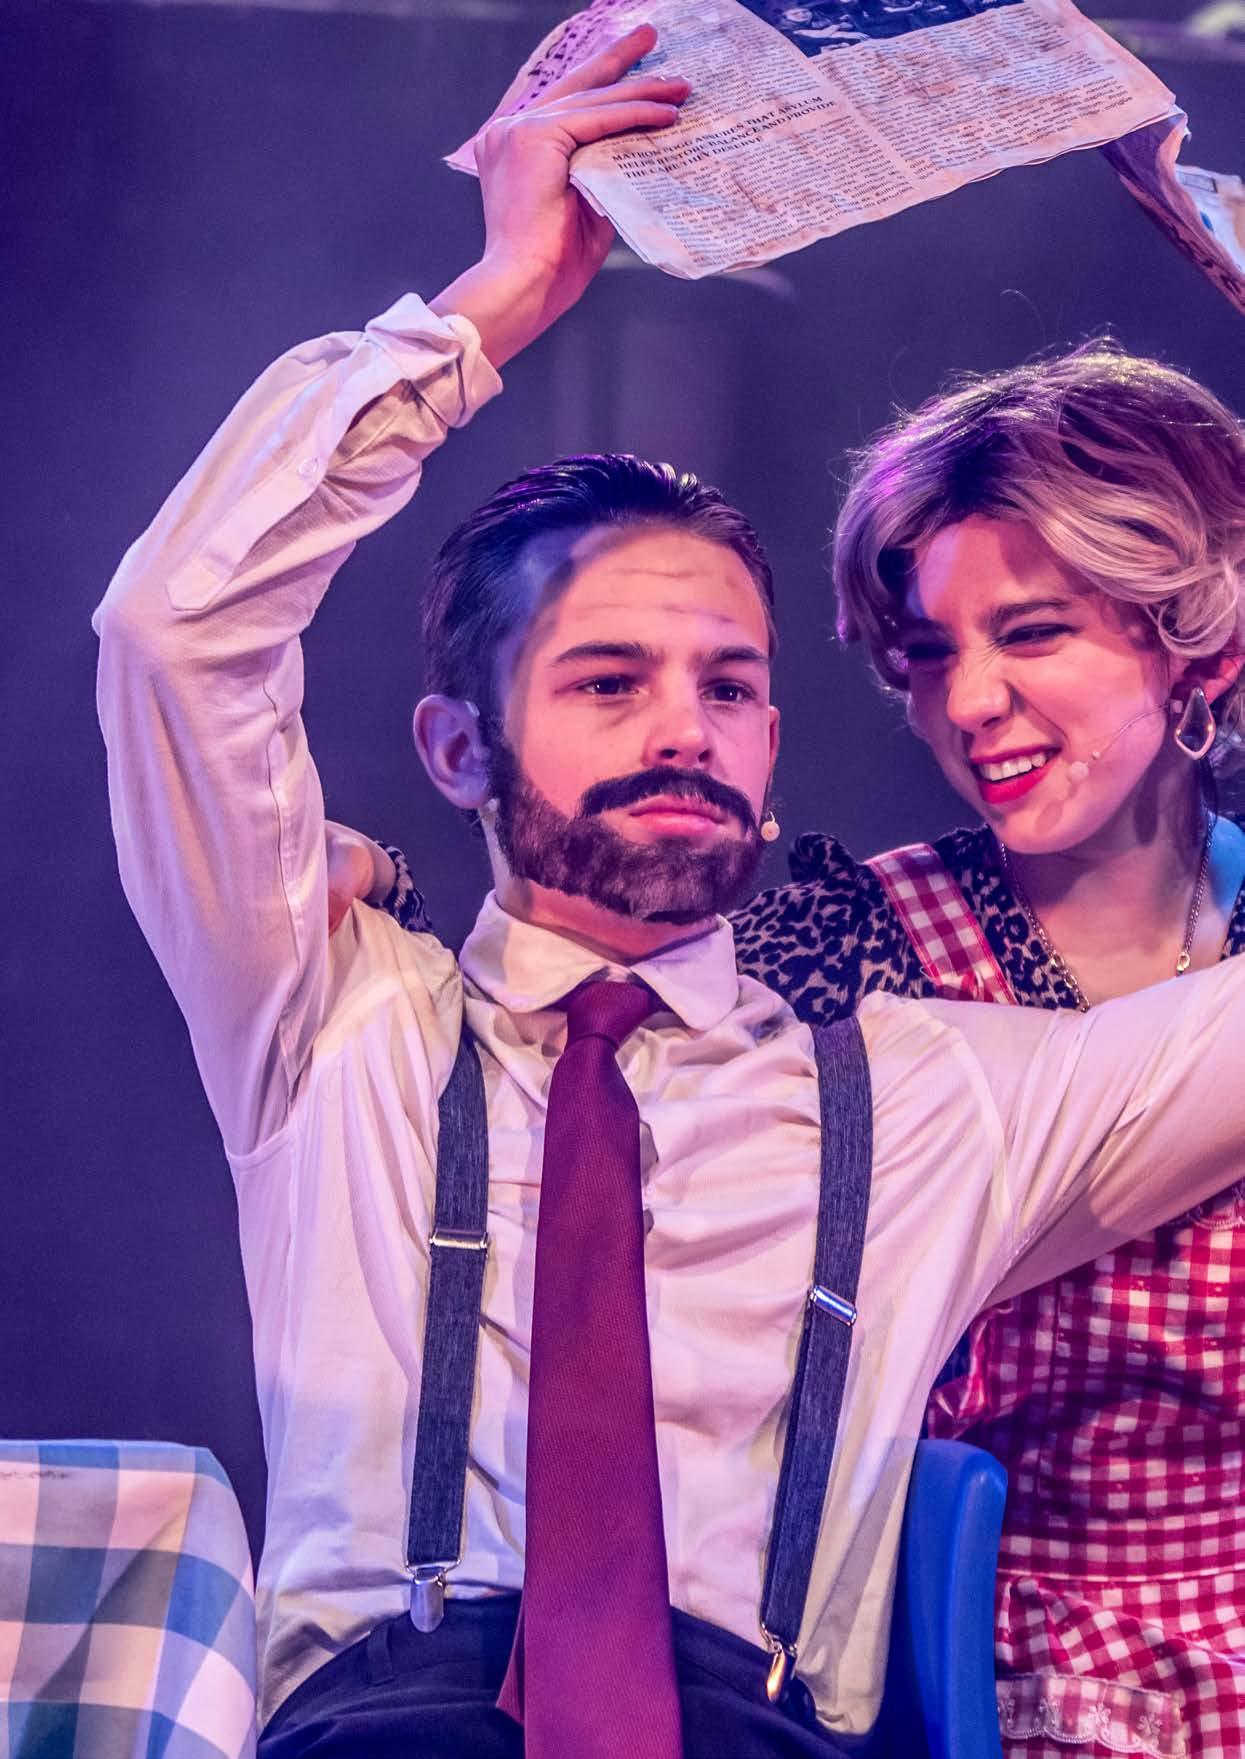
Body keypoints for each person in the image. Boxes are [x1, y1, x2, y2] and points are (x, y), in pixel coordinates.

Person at [96, 25, 1245, 1759]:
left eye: (728, 685)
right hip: (397, 1721)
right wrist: (490, 306)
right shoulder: (328, 1018)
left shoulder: (933, 1092)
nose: (680, 729)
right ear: (457, 747)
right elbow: (175, 632)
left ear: (775, 740)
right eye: (606, 680)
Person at [348, 350, 1245, 1759]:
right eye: (929, 653)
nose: (968, 702)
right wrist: (371, 897)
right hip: (974, 1688)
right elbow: (561, 1118)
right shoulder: (842, 961)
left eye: (1029, 634)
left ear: (1203, 644)